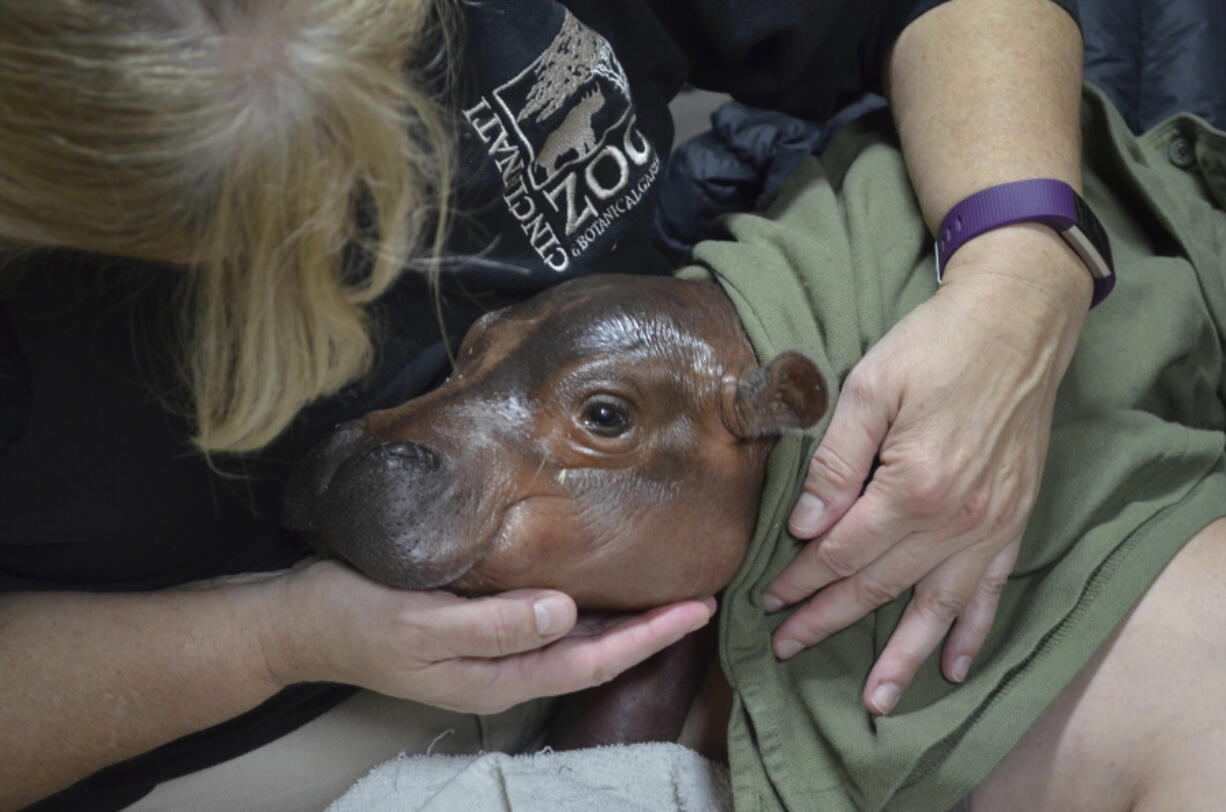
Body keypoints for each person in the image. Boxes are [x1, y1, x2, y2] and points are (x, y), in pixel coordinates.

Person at [0, 0, 1083, 808]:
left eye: (393, 101)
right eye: (245, 221)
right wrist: (272, 640)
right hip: (209, 702)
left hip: (699, 535)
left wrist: (1016, 274)